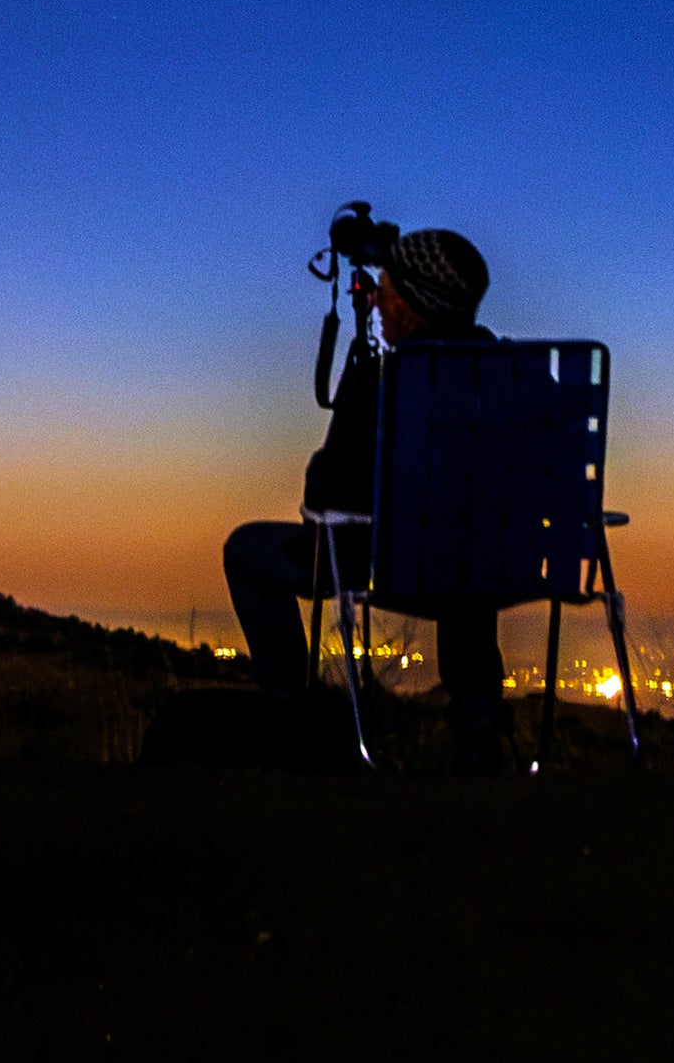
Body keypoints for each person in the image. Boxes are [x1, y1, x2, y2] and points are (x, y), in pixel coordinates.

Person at [221, 207, 516, 763]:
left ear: (416, 303)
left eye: (387, 290)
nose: (376, 301)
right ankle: (478, 725)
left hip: (391, 565)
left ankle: (288, 711)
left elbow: (323, 497)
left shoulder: (390, 382)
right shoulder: (506, 378)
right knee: (465, 543)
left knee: (246, 549)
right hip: (496, 569)